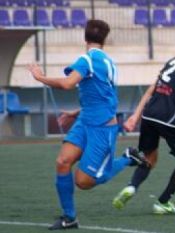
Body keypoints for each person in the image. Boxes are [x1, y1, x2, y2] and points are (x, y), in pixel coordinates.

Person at [27, 19, 148, 230]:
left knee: (83, 182)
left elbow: (67, 84)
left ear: (85, 37)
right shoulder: (108, 62)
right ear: (104, 39)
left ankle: (128, 158)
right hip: (86, 122)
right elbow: (101, 97)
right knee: (63, 161)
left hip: (102, 128)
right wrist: (76, 113)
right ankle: (69, 217)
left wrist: (40, 77)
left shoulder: (87, 60)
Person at [112, 26, 175, 214]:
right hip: (170, 115)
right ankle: (163, 202)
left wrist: (135, 115)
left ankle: (132, 186)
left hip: (149, 113)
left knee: (150, 156)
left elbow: (153, 87)